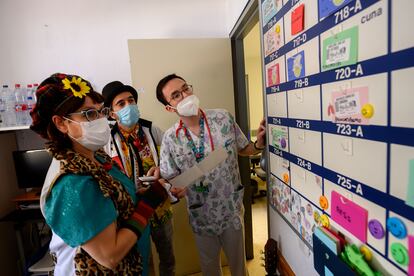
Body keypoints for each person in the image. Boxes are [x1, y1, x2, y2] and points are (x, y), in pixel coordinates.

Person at [30, 73, 167, 275]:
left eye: (100, 112)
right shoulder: (72, 182)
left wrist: (145, 193)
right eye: (88, 114)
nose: (101, 120)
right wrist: (149, 204)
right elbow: (109, 255)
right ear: (61, 123)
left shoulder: (98, 158)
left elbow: (116, 201)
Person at [155, 73, 266, 276]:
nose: (185, 95)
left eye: (186, 88)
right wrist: (172, 190)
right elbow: (169, 179)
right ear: (169, 107)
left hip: (230, 208)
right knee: (209, 268)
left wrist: (259, 143)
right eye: (176, 95)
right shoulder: (171, 138)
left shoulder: (222, 117)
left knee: (239, 266)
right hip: (201, 215)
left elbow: (244, 149)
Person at [102, 81, 175, 276]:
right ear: (111, 113)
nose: (129, 106)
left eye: (131, 100)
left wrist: (161, 169)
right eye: (121, 103)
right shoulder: (106, 141)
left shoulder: (152, 130)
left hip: (160, 207)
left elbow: (172, 160)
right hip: (132, 213)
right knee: (141, 261)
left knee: (168, 258)